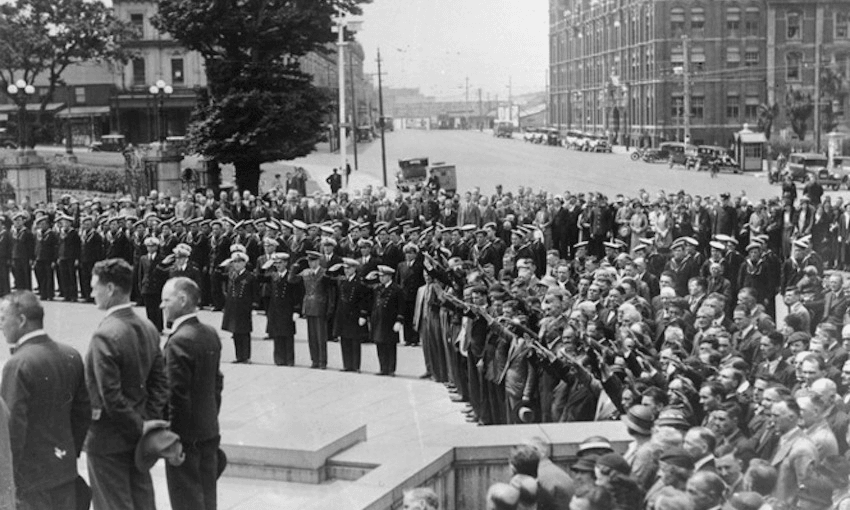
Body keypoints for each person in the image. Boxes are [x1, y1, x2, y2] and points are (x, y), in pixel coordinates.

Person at [83, 258, 169, 510]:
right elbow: (160, 383)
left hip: (108, 438)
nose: (91, 292)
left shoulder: (105, 334)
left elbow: (109, 394)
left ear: (110, 289)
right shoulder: (148, 327)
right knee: (142, 502)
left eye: (94, 286)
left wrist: (137, 426)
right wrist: (146, 421)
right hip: (139, 437)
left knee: (112, 504)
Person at [0, 290, 90, 509]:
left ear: (21, 320)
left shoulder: (17, 364)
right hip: (65, 471)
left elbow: (13, 430)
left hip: (31, 482)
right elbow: (82, 415)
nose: (1, 325)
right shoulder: (71, 355)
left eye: (3, 318)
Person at [160, 277, 223, 510]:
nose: (162, 306)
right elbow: (217, 385)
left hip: (185, 441)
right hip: (208, 432)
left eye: (166, 300)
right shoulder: (209, 333)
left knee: (186, 502)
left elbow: (175, 396)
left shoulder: (178, 341)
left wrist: (174, 441)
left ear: (182, 300)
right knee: (207, 501)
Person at [221, 251, 256, 364]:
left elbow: (254, 293)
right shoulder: (232, 275)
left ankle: (246, 356)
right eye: (234, 262)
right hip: (233, 306)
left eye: (239, 262)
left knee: (244, 332)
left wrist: (254, 306)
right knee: (235, 332)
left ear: (244, 263)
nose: (236, 265)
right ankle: (238, 356)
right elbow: (219, 276)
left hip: (244, 307)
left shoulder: (249, 276)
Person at [370, 265, 404, 376]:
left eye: (383, 276)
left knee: (390, 345)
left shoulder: (396, 289)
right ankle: (383, 367)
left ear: (389, 276)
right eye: (380, 276)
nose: (381, 278)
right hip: (379, 319)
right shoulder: (378, 288)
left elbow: (401, 307)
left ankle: (391, 369)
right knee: (380, 344)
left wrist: (399, 320)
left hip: (390, 320)